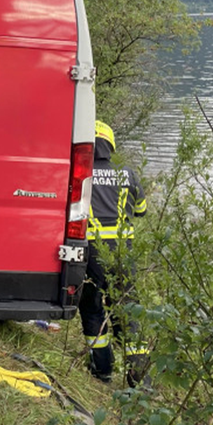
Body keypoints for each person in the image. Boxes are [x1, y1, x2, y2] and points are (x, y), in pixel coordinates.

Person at [78, 119, 148, 386]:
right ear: (110, 145)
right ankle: (138, 380)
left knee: (93, 308)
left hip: (92, 255)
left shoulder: (81, 171)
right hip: (122, 256)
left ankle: (102, 370)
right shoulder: (127, 174)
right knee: (128, 312)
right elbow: (141, 210)